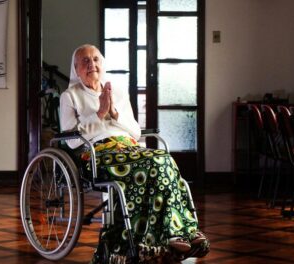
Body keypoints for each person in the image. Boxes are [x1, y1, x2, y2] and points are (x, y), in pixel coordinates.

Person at [60, 44, 209, 263]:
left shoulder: (117, 92)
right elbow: (71, 141)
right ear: (76, 68)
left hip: (128, 147)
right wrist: (99, 114)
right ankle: (146, 240)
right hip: (97, 152)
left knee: (163, 160)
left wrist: (114, 113)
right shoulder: (70, 96)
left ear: (102, 64)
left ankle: (178, 233)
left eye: (95, 59)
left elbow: (136, 131)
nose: (91, 64)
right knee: (149, 163)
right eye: (85, 61)